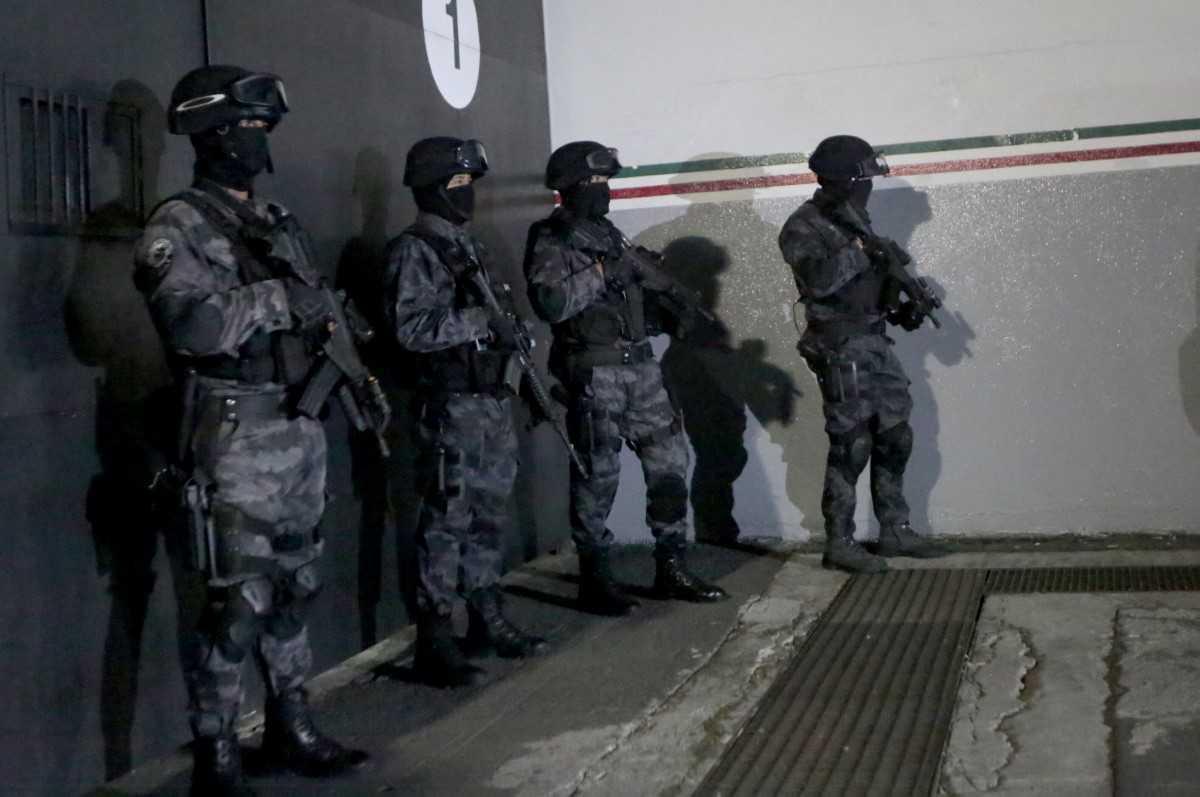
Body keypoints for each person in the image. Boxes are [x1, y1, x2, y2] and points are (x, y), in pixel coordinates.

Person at [133, 65, 367, 795]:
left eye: (264, 130)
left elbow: (313, 310)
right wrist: (280, 298)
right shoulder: (177, 224)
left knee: (296, 583)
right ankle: (217, 751)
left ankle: (290, 723)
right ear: (210, 132)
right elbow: (193, 325)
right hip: (234, 435)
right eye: (249, 129)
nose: (259, 142)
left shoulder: (276, 223)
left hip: (296, 425)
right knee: (238, 603)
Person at [524, 140, 729, 615]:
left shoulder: (608, 233)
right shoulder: (552, 237)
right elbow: (551, 303)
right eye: (594, 183)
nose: (602, 191)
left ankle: (671, 565)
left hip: (641, 368)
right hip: (596, 372)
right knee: (598, 477)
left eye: (605, 183)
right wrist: (604, 270)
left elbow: (631, 292)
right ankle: (595, 577)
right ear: (570, 187)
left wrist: (661, 299)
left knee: (672, 462)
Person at [383, 136, 547, 688]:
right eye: (458, 185)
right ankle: (434, 635)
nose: (468, 195)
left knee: (488, 517)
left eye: (470, 185)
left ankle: (485, 616)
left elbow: (502, 315)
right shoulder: (414, 250)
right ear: (431, 188)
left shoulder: (469, 246)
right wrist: (480, 323)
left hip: (489, 400)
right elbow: (410, 330)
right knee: (447, 519)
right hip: (450, 405)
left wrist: (514, 344)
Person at [777, 134, 947, 573]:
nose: (868, 187)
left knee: (896, 435)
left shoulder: (857, 220)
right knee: (851, 443)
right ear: (843, 180)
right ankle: (840, 542)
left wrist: (903, 304)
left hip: (873, 341)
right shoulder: (804, 225)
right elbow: (819, 281)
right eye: (863, 179)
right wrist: (858, 251)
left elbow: (870, 287)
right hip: (839, 346)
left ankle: (894, 529)